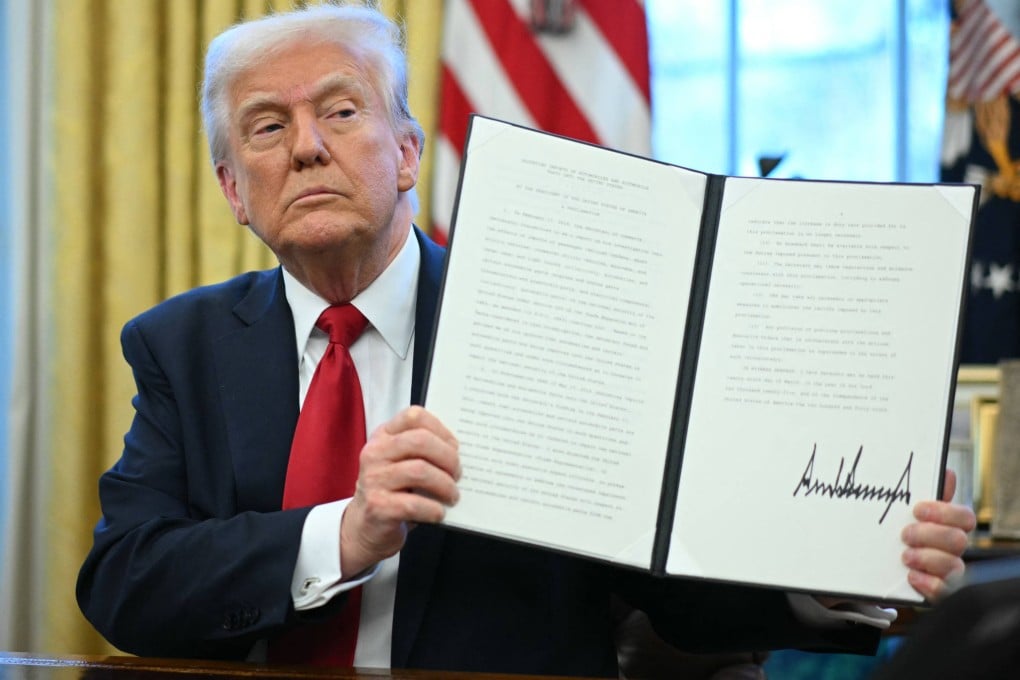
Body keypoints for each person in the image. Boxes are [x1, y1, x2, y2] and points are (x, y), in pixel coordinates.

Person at [76, 4, 976, 677]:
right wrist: (343, 535)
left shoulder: (555, 318)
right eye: (268, 127)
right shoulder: (180, 345)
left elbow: (674, 590)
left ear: (406, 154)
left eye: (342, 112)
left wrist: (842, 565)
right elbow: (124, 581)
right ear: (235, 190)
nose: (307, 147)